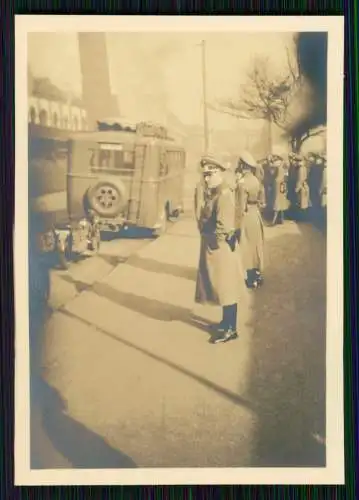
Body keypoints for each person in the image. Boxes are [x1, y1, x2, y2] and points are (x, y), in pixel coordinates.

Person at [195, 155, 244, 344]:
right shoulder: (215, 192)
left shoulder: (223, 195)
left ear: (218, 173)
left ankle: (231, 329)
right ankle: (226, 323)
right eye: (204, 175)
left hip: (221, 248)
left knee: (227, 289)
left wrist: (214, 244)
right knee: (223, 289)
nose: (205, 179)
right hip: (216, 246)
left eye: (209, 174)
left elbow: (224, 226)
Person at [234, 151, 265, 289]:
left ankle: (251, 278)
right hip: (256, 215)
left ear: (242, 165)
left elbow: (240, 206)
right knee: (256, 245)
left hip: (246, 216)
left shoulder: (242, 183)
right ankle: (258, 275)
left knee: (247, 247)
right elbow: (262, 200)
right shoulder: (256, 180)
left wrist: (236, 224)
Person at [270, 149, 290, 225]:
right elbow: (286, 176)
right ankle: (281, 220)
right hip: (282, 183)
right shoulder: (284, 166)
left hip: (278, 183)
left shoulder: (277, 165)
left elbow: (272, 172)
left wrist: (271, 162)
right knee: (281, 200)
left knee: (277, 200)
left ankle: (273, 221)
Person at [294, 154, 311, 221]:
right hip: (304, 186)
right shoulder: (304, 168)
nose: (296, 162)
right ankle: (303, 218)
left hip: (301, 187)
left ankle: (301, 218)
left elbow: (300, 179)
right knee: (303, 203)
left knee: (301, 203)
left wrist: (297, 188)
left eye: (297, 161)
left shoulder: (300, 169)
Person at [194, 157, 209, 231]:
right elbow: (198, 203)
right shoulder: (200, 185)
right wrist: (199, 220)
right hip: (203, 220)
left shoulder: (217, 186)